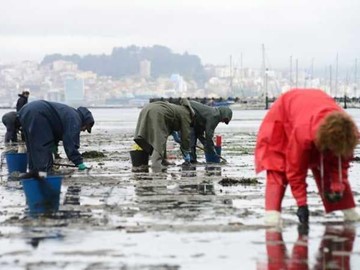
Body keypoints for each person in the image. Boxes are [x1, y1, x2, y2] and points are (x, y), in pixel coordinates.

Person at [255, 88, 360, 226]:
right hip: (282, 116)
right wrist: (302, 204)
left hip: (311, 115)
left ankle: (350, 214)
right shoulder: (303, 134)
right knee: (278, 168)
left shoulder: (349, 134)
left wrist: (337, 185)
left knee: (329, 162)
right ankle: (272, 218)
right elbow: (296, 169)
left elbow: (341, 163)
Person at [18, 100, 94, 175]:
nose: (84, 130)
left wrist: (55, 151)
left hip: (26, 110)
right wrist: (79, 162)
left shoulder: (70, 114)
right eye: (86, 128)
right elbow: (70, 143)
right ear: (85, 121)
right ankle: (45, 174)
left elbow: (55, 132)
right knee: (43, 145)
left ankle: (33, 173)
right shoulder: (75, 119)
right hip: (38, 113)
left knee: (32, 146)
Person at [134, 98, 194, 170]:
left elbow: (170, 119)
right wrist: (186, 152)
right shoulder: (186, 114)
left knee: (150, 136)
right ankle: (156, 165)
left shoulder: (177, 108)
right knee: (159, 140)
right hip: (157, 112)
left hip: (147, 108)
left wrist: (173, 133)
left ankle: (163, 160)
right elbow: (185, 136)